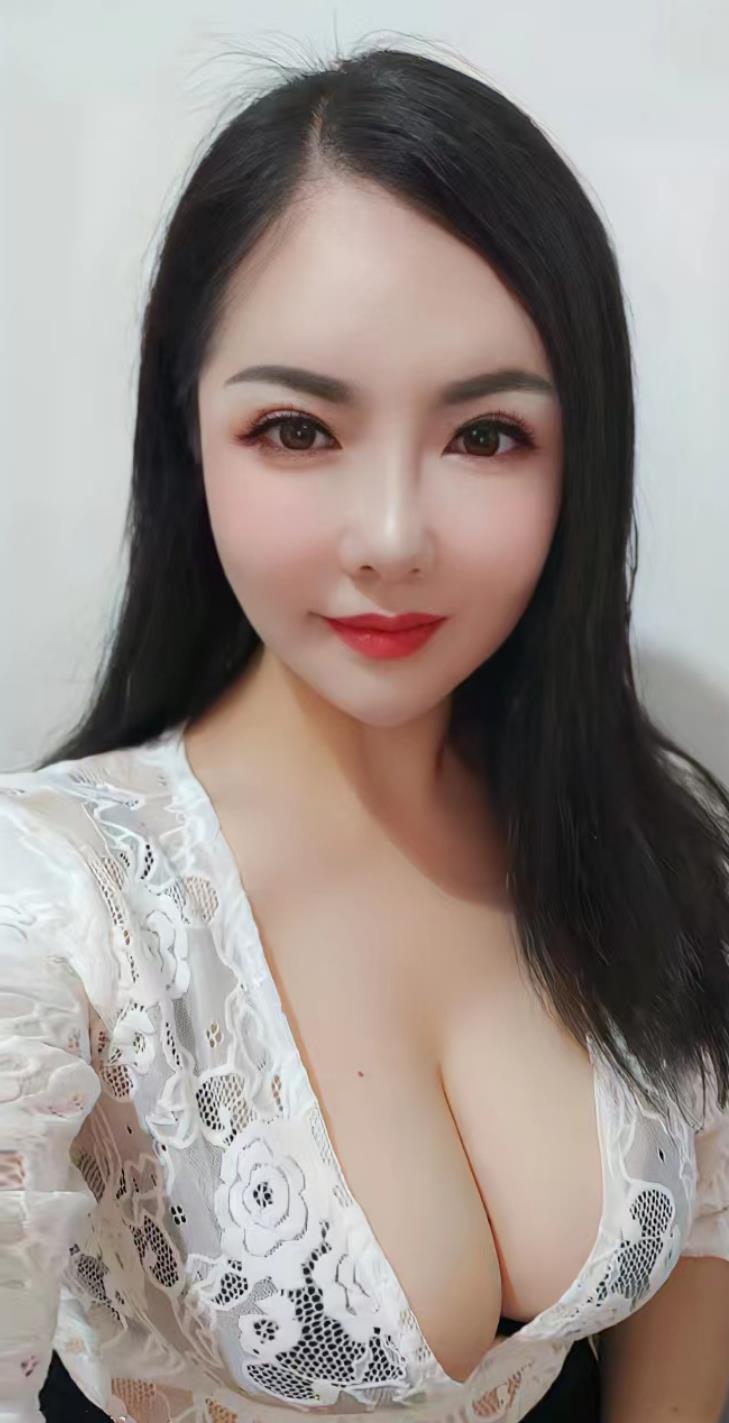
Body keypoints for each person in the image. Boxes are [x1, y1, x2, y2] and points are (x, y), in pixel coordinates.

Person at [2, 36, 729, 1423]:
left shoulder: (660, 836)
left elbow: (701, 1256)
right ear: (188, 439)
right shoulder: (49, 910)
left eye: (486, 436)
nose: (392, 538)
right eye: (296, 430)